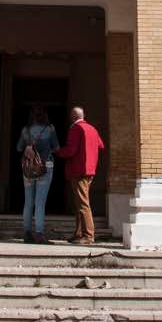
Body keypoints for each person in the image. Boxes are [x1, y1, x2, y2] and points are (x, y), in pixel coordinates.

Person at [54, 105, 105, 245]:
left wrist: (58, 151)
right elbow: (101, 145)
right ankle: (78, 234)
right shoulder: (92, 128)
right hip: (90, 170)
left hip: (78, 170)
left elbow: (71, 150)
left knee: (83, 204)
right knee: (79, 203)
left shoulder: (75, 129)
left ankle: (88, 235)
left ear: (73, 116)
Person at [15, 104, 59, 244]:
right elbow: (56, 147)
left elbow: (18, 147)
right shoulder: (50, 129)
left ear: (31, 116)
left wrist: (29, 145)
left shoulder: (25, 130)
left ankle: (27, 233)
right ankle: (39, 234)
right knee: (40, 202)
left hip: (28, 169)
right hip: (45, 167)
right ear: (44, 115)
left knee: (28, 202)